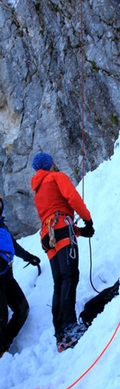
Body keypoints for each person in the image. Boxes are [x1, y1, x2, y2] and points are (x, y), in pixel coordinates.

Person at [30, 152, 95, 352]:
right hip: (61, 230)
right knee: (70, 277)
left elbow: (54, 214)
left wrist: (80, 232)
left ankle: (61, 333)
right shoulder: (56, 177)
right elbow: (72, 199)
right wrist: (88, 220)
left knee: (60, 281)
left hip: (49, 238)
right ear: (50, 164)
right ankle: (70, 326)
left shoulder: (38, 190)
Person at [0, 194, 41, 357]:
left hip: (7, 275)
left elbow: (13, 246)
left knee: (22, 308)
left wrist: (28, 257)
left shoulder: (3, 226)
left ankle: (5, 345)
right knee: (1, 317)